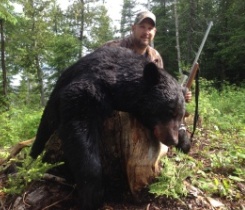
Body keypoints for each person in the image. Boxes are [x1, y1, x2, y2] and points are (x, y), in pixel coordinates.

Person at [104, 10, 192, 102]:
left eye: (150, 28)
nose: (146, 32)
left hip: (139, 112)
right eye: (142, 27)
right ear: (133, 28)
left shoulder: (155, 58)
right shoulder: (112, 49)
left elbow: (158, 89)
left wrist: (179, 93)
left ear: (154, 32)